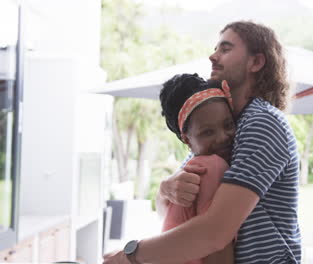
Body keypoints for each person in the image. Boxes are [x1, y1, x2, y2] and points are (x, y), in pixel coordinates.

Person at [103, 20, 301, 264]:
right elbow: (174, 212)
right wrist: (166, 188)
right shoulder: (223, 129)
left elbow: (214, 233)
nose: (212, 56)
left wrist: (130, 255)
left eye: (225, 49)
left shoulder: (262, 123)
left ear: (256, 62)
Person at [159, 73, 235, 264]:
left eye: (228, 125)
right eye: (207, 132)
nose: (222, 137)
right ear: (187, 139)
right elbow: (216, 246)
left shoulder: (198, 160)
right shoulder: (212, 165)